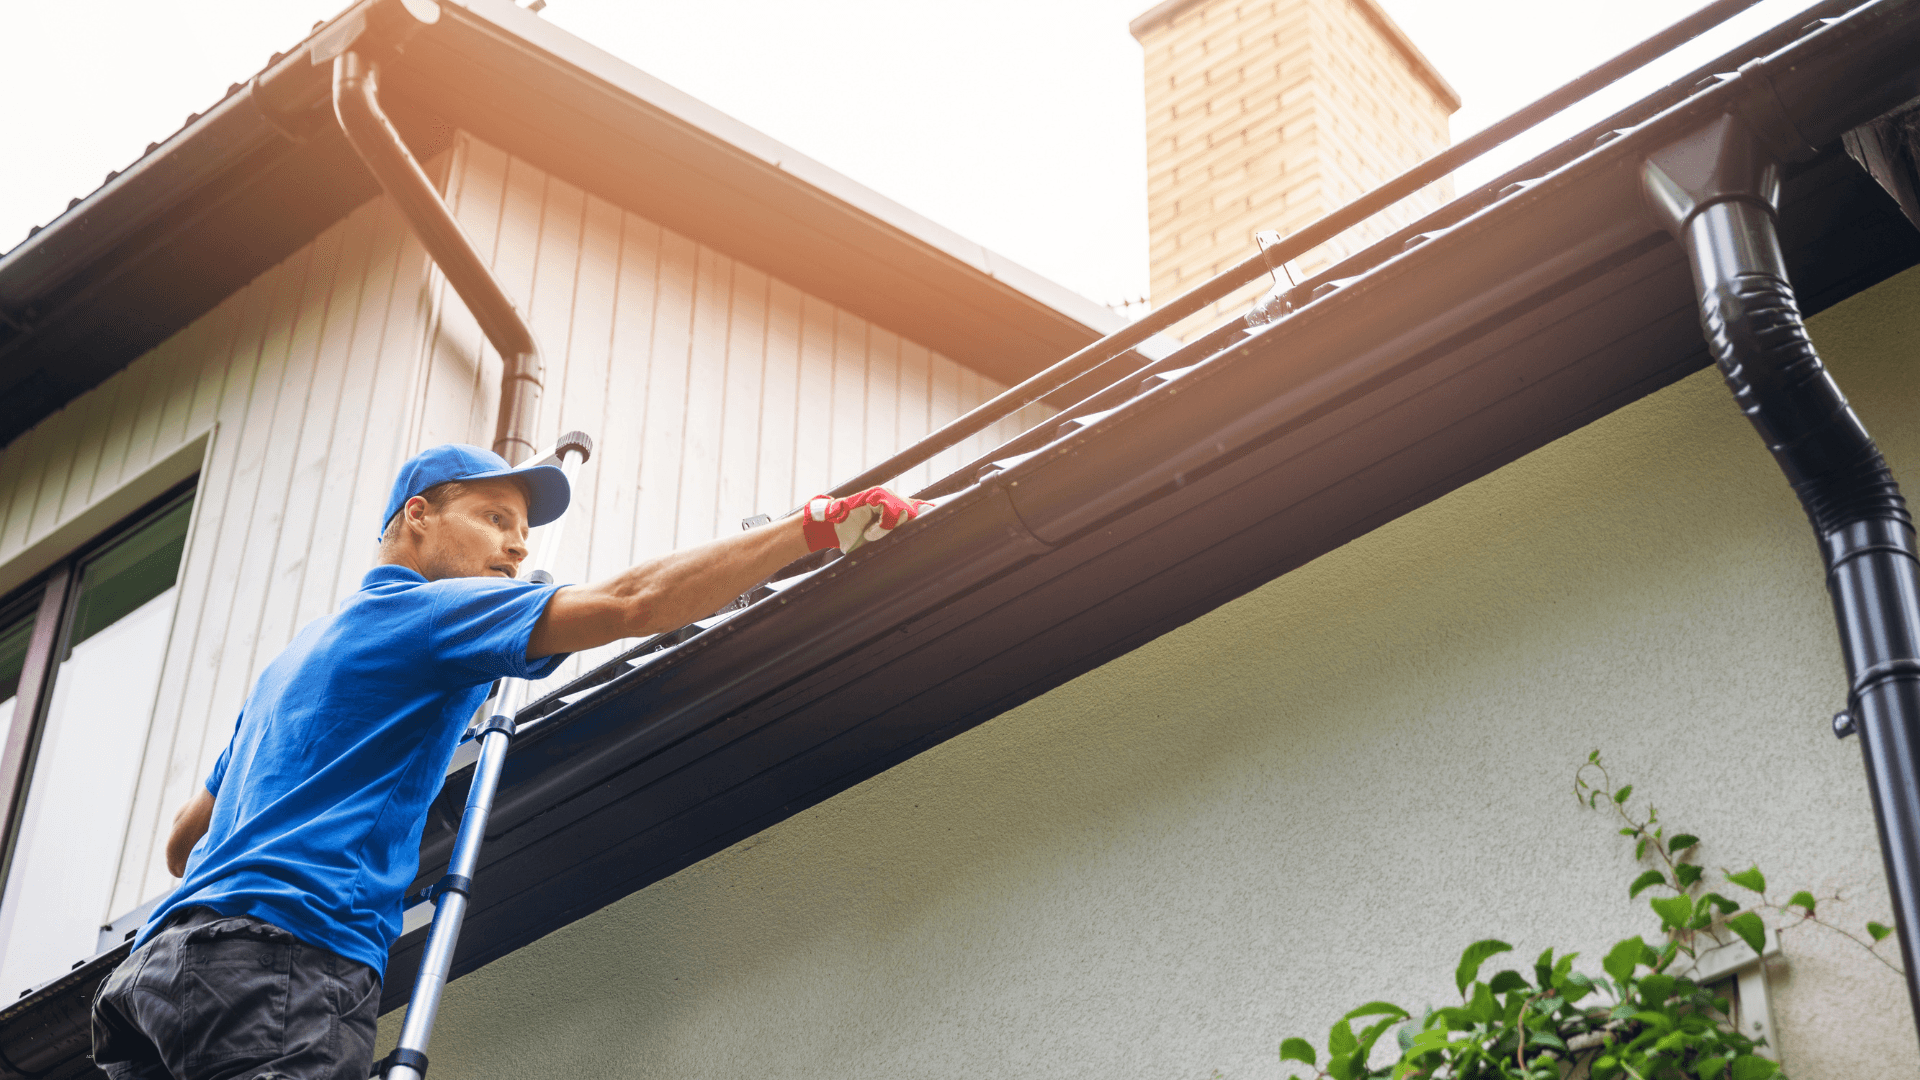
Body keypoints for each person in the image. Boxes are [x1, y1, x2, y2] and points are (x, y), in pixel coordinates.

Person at [90, 442, 931, 1080]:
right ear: (418, 514)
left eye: (523, 536)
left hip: (158, 981)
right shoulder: (432, 615)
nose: (517, 550)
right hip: (283, 965)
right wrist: (812, 526)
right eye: (495, 521)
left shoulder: (293, 662)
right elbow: (633, 602)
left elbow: (183, 843)